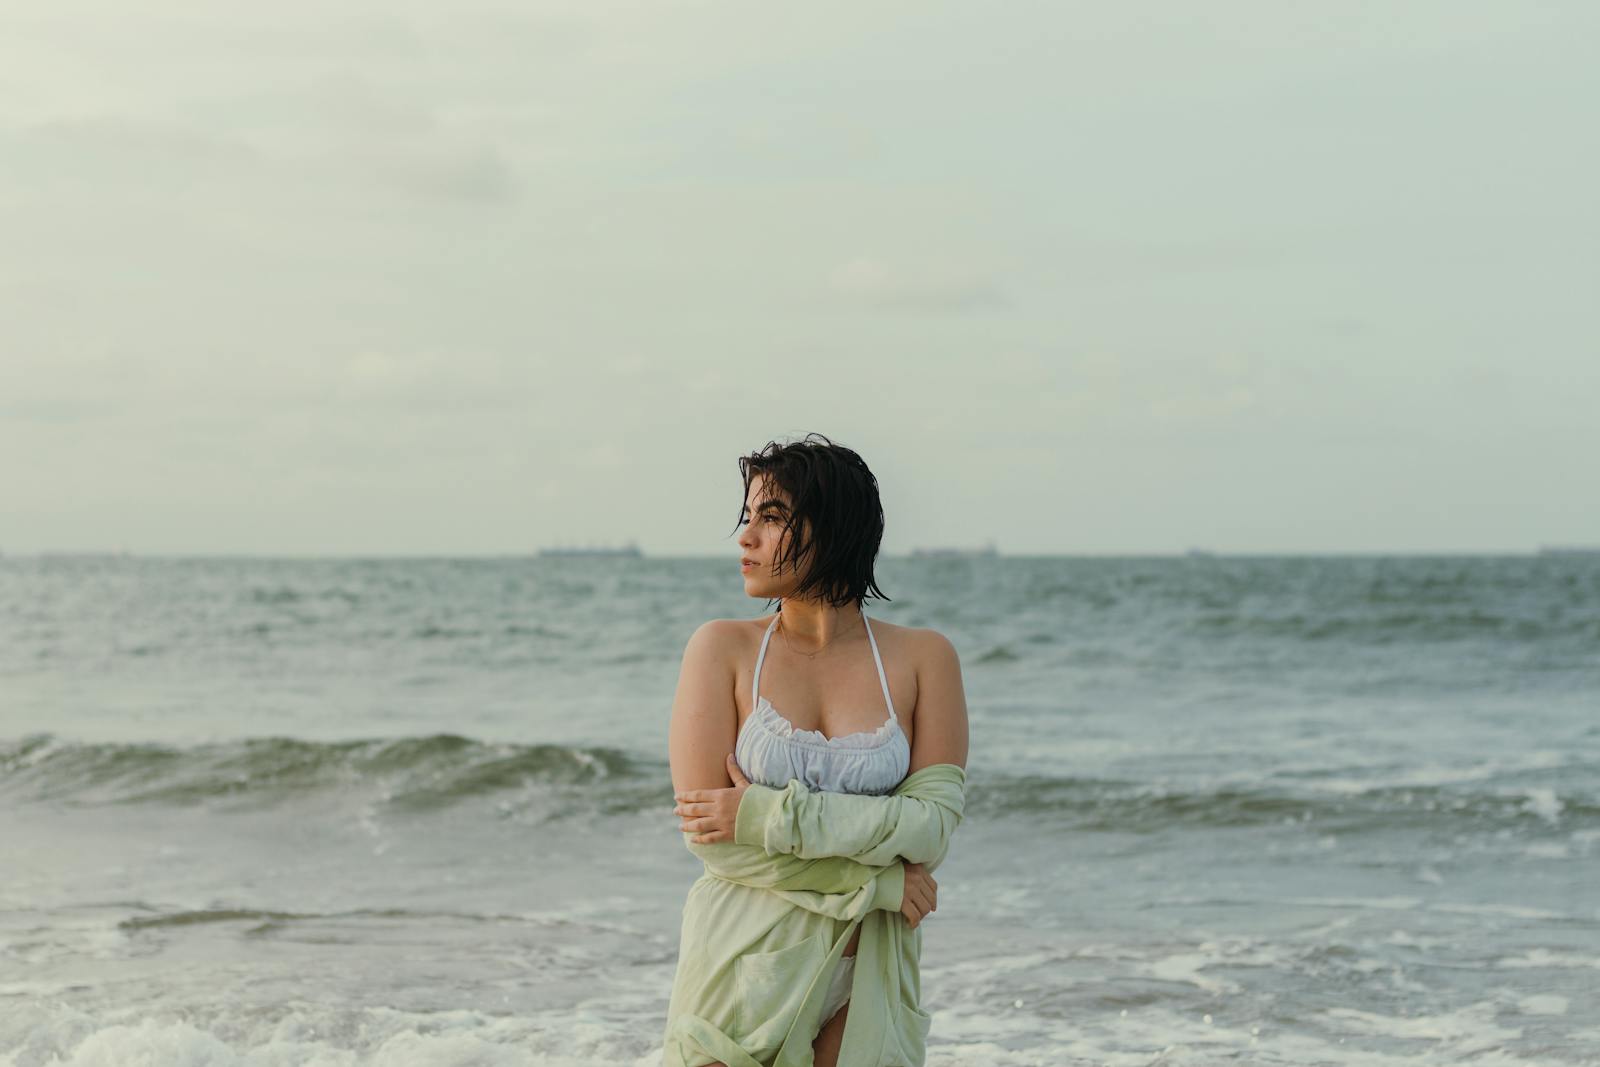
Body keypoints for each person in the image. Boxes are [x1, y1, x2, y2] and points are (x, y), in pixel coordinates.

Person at [661, 433, 971, 1067]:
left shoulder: (923, 660)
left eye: (771, 518)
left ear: (835, 529)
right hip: (740, 968)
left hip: (870, 974)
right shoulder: (722, 649)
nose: (745, 538)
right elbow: (713, 840)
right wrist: (881, 882)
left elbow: (932, 829)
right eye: (747, 518)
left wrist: (765, 816)